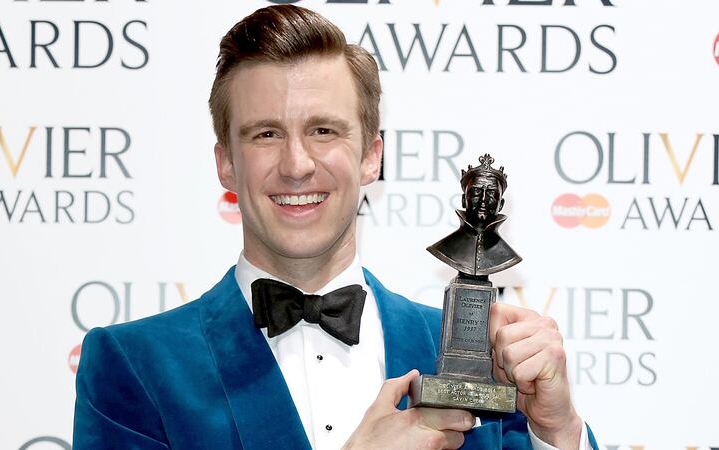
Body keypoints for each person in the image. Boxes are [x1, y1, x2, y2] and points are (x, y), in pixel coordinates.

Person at [73, 5, 599, 450]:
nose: (297, 163)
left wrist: (557, 430)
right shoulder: (133, 364)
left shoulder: (476, 357)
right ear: (225, 164)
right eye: (265, 134)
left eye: (323, 130)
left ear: (372, 157)